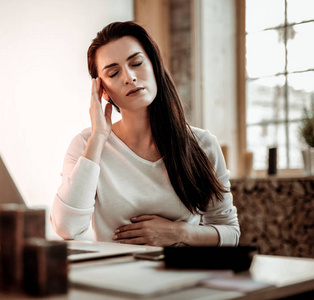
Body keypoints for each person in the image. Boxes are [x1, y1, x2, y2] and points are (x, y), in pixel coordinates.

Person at [50, 21, 240, 247]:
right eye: (113, 73)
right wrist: (99, 137)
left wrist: (181, 233)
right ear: (102, 90)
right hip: (116, 277)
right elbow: (66, 228)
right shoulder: (86, 145)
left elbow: (230, 233)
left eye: (137, 63)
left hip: (183, 278)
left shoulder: (202, 144)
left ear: (154, 65)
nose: (129, 77)